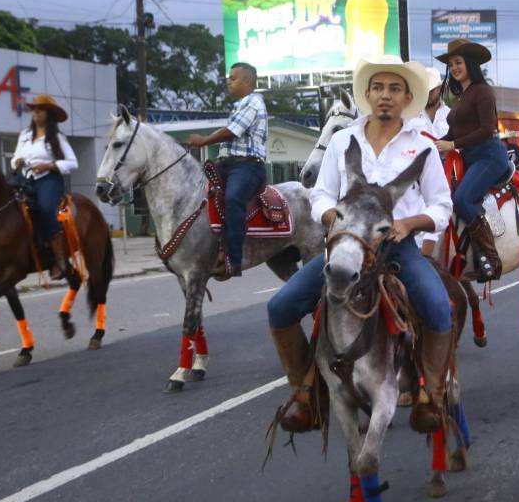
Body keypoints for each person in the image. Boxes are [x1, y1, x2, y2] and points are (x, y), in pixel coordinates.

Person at [266, 57, 455, 433]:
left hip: (396, 249)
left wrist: (408, 223)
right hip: (345, 246)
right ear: (368, 95)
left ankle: (428, 394)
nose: (386, 95)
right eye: (379, 88)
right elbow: (319, 194)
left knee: (438, 306)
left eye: (395, 89)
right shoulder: (342, 141)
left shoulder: (424, 149)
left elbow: (442, 205)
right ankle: (306, 391)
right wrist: (333, 221)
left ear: (407, 98)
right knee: (281, 307)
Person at [434, 38, 512, 282]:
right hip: (469, 157)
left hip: (488, 155)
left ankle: (491, 259)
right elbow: (455, 133)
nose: (454, 68)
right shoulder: (460, 97)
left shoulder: (483, 91)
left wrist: (452, 145)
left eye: (458, 62)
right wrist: (432, 145)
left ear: (470, 64)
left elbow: (487, 130)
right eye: (451, 64)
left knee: (462, 199)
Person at [187, 62, 268, 279]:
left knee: (233, 199)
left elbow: (233, 131)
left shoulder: (253, 103)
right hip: (228, 165)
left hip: (248, 166)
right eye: (229, 78)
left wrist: (204, 140)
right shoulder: (240, 105)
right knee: (195, 191)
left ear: (247, 81)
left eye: (233, 78)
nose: (228, 82)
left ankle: (234, 259)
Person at [11, 94, 78, 279]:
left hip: (48, 179)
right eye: (34, 109)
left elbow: (73, 163)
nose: (36, 113)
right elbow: (14, 158)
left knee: (45, 208)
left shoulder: (57, 137)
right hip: (25, 179)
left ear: (49, 114)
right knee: (7, 206)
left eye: (40, 110)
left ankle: (60, 260)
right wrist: (17, 161)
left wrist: (49, 165)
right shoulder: (24, 136)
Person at [407, 66, 449, 138]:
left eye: (431, 91)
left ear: (440, 88)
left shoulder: (450, 114)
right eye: (424, 91)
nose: (427, 94)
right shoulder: (410, 116)